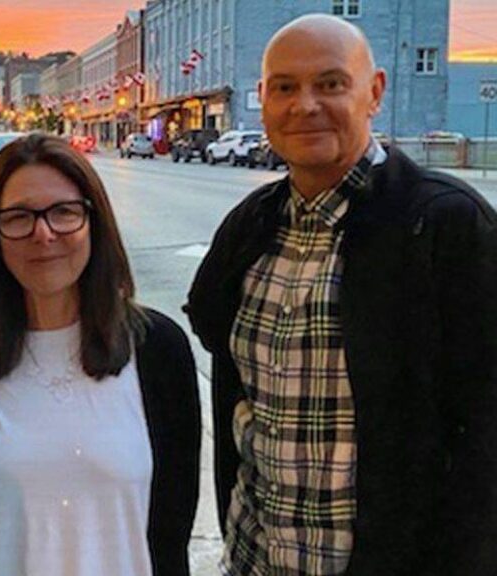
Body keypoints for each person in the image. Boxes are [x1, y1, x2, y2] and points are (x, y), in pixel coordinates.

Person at [186, 14, 497, 576]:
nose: (305, 105)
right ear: (263, 99)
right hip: (256, 559)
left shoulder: (444, 225)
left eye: (330, 84)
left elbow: (482, 437)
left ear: (373, 92)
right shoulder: (251, 228)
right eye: (285, 87)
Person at [0, 134, 201, 576]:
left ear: (95, 222)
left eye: (64, 212)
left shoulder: (158, 350)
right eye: (19, 217)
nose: (43, 234)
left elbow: (173, 526)